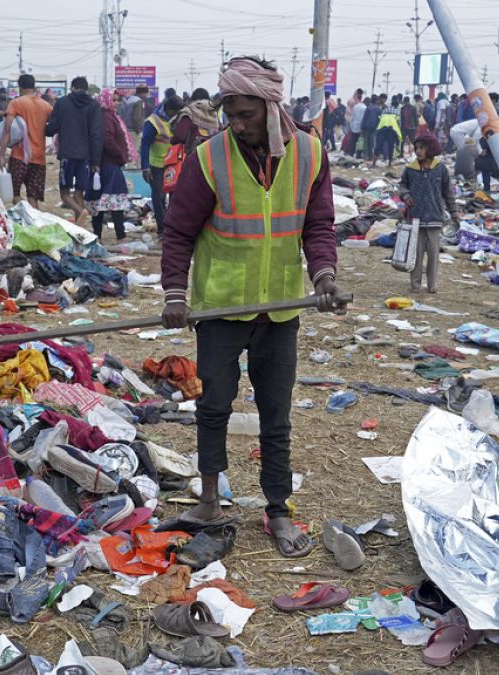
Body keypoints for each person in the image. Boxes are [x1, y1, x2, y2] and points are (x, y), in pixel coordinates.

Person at [160, 57, 345, 559]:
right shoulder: (209, 158)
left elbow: (319, 224)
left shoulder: (309, 154)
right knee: (213, 406)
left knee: (275, 414)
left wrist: (324, 274)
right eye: (230, 115)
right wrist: (176, 294)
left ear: (269, 106)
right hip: (221, 306)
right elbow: (178, 231)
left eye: (244, 114)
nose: (236, 125)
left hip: (281, 309)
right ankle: (211, 502)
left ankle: (277, 509)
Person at [399, 130, 456, 294]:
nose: (418, 151)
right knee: (415, 254)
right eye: (416, 148)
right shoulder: (410, 169)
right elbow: (402, 186)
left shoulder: (440, 169)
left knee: (433, 254)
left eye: (422, 148)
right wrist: (406, 195)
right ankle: (415, 285)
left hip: (434, 218)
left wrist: (454, 214)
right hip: (415, 218)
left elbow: (448, 193)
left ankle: (432, 284)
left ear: (430, 149)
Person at [45, 76, 102, 224]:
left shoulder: (62, 103)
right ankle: (80, 230)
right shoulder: (94, 105)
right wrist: (96, 161)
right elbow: (96, 134)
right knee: (79, 193)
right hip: (86, 156)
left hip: (67, 154)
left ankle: (81, 211)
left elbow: (52, 129)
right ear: (86, 89)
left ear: (72, 87)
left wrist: (41, 128)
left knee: (64, 194)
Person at [84, 87, 132, 242]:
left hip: (104, 165)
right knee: (114, 203)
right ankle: (120, 236)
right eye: (114, 100)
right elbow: (108, 140)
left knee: (101, 202)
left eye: (118, 100)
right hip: (109, 165)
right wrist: (121, 155)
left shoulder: (109, 116)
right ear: (105, 100)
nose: (116, 103)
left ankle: (98, 236)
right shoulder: (106, 118)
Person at [0, 73, 52, 208]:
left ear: (20, 87)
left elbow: (6, 130)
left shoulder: (16, 103)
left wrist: (2, 155)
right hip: (39, 157)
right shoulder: (46, 106)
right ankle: (35, 222)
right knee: (33, 197)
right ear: (34, 87)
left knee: (14, 194)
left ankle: (26, 212)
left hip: (19, 156)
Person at [139, 95, 183, 236]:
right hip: (156, 165)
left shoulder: (179, 119)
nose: (177, 116)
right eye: (175, 112)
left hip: (173, 164)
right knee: (159, 198)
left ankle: (172, 228)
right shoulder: (153, 122)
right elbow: (145, 144)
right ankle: (163, 230)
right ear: (169, 109)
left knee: (175, 196)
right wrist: (145, 167)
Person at [121, 85, 148, 168]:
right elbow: (137, 118)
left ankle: (133, 169)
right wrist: (138, 130)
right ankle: (133, 173)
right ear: (144, 93)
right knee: (135, 152)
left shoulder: (130, 99)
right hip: (134, 130)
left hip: (127, 129)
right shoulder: (139, 101)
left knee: (130, 152)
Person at [360, 94, 381, 163]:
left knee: (366, 142)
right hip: (374, 128)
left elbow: (364, 118)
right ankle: (371, 156)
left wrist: (362, 127)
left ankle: (365, 157)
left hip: (366, 127)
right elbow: (379, 119)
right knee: (371, 143)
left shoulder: (368, 107)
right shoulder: (378, 108)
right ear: (377, 100)